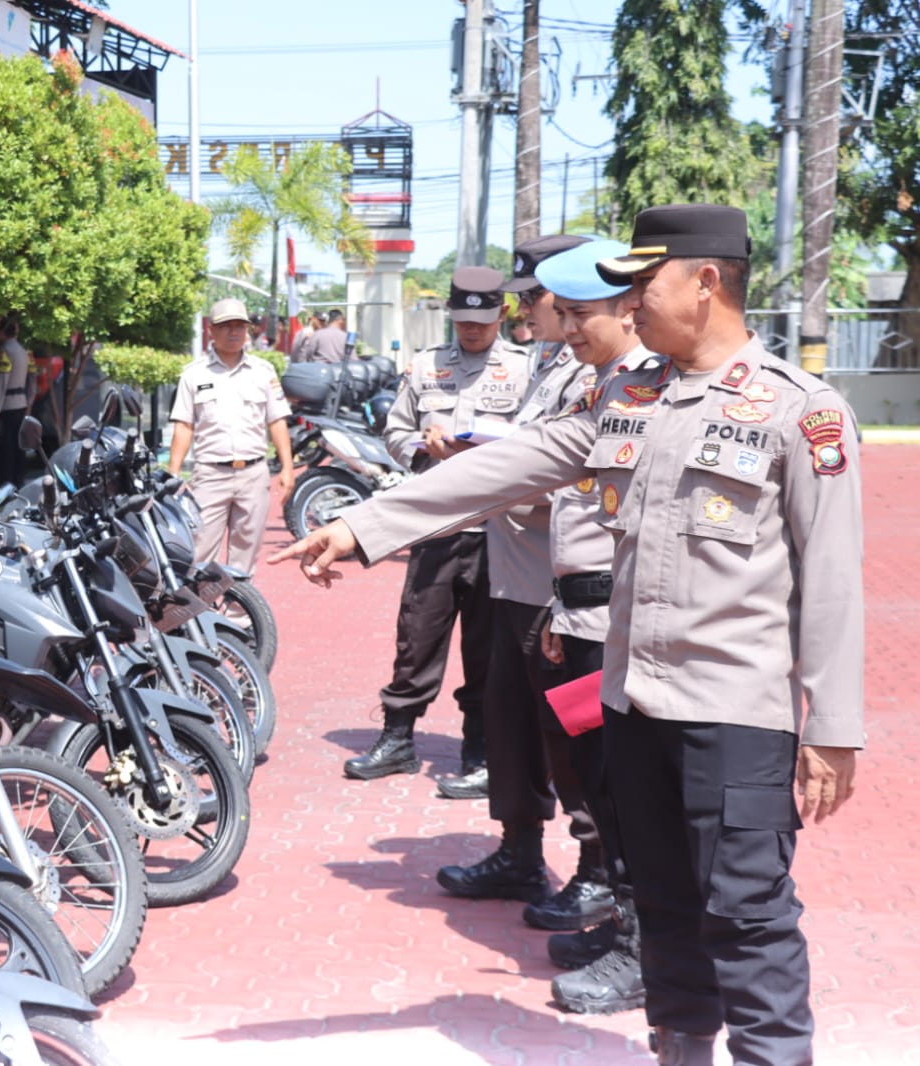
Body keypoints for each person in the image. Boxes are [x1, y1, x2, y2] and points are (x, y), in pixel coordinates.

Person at [273, 204, 862, 1066]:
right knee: (661, 908)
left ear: (705, 283)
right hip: (633, 704)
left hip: (736, 716)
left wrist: (835, 731)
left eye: (642, 286)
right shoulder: (628, 395)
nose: (627, 306)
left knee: (745, 920)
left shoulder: (795, 412)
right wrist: (366, 526)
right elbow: (507, 464)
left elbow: (834, 582)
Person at [433, 238, 621, 939]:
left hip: (562, 591)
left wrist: (502, 477)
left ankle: (598, 869)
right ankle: (518, 851)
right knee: (510, 724)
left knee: (570, 733)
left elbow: (580, 483)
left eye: (535, 297)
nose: (525, 309)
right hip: (510, 577)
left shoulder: (603, 373)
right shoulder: (547, 365)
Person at [341, 265, 532, 784]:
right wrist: (421, 448)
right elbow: (394, 430)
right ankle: (398, 738)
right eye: (463, 319)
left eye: (484, 319)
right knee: (416, 636)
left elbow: (544, 442)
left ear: (504, 314)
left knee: (489, 646)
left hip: (499, 529)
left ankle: (481, 749)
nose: (472, 328)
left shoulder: (525, 369)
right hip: (437, 526)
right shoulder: (426, 366)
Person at [528, 238, 654, 1015]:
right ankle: (620, 929)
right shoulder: (595, 388)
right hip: (579, 609)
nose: (566, 329)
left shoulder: (641, 393)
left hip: (615, 620)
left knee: (626, 789)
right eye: (564, 315)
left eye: (579, 315)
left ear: (626, 310)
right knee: (598, 788)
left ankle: (642, 949)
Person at [167, 297, 294, 574]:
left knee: (245, 556)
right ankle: (200, 615)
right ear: (211, 330)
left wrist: (287, 467)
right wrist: (173, 474)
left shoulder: (263, 372)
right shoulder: (194, 374)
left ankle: (240, 617)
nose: (234, 332)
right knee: (199, 552)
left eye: (240, 326)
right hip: (210, 476)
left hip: (253, 474)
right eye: (226, 326)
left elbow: (277, 420)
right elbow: (184, 425)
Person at [0, 317, 31, 494]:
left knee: (5, 445)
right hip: (21, 402)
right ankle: (18, 478)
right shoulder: (23, 351)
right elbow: (31, 381)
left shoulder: (4, 351)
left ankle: (6, 482)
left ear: (3, 332)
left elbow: (1, 380)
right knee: (18, 445)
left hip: (7, 404)